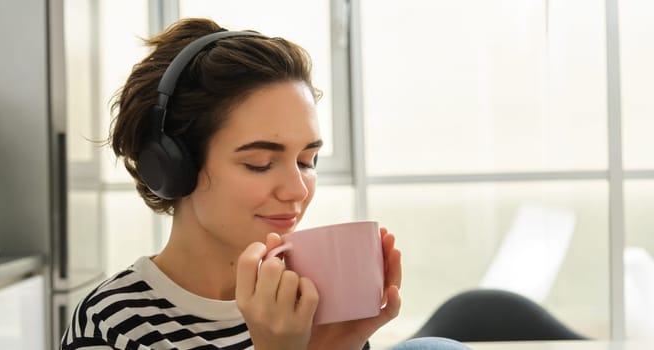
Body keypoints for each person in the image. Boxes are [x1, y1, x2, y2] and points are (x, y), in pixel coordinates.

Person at [61, 18, 470, 350]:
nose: (297, 190)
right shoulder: (110, 324)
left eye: (307, 160)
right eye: (259, 163)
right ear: (173, 166)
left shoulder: (312, 301)